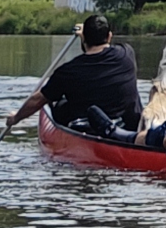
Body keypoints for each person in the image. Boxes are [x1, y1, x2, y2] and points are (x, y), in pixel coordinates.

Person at [8, 15, 143, 140]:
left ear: (84, 39)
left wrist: (16, 118)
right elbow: (102, 50)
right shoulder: (126, 54)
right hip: (127, 127)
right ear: (109, 36)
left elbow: (37, 100)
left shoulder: (67, 71)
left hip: (87, 131)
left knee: (55, 102)